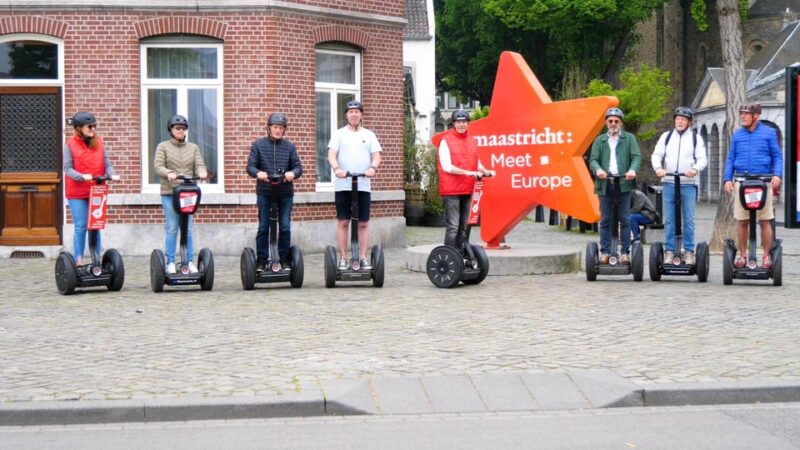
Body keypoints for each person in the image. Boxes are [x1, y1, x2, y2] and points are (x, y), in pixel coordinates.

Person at [723, 102, 783, 269]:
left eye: (746, 114)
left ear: (756, 116)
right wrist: (727, 179)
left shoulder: (769, 133)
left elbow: (777, 156)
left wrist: (777, 175)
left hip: (763, 182)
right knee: (742, 221)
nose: (742, 116)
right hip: (742, 182)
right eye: (741, 113)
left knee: (764, 221)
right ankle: (743, 255)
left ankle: (765, 256)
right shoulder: (737, 135)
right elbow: (730, 158)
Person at [327, 100, 382, 270]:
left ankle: (363, 257)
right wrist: (337, 168)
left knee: (363, 223)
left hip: (363, 185)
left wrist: (373, 168)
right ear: (346, 115)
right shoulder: (339, 134)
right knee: (344, 221)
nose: (354, 114)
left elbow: (377, 155)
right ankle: (343, 257)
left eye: (357, 111)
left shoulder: (369, 135)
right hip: (343, 185)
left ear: (361, 115)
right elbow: (331, 154)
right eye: (351, 112)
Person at [246, 112, 303, 272]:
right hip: (265, 192)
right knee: (264, 227)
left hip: (284, 193)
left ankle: (284, 260)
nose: (278, 130)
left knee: (284, 226)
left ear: (284, 130)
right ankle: (261, 261)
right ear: (269, 128)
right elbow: (250, 166)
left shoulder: (290, 147)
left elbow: (298, 167)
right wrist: (258, 173)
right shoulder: (258, 145)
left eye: (281, 128)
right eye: (275, 127)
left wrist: (293, 173)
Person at [651, 106, 708, 265]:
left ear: (689, 122)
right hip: (669, 182)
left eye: (683, 119)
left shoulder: (695, 138)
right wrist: (659, 169)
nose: (680, 121)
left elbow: (702, 159)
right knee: (669, 219)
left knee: (688, 219)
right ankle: (669, 251)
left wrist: (694, 169)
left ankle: (689, 251)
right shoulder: (666, 137)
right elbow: (656, 155)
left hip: (688, 184)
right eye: (678, 119)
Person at [63, 112, 120, 266]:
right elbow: (67, 168)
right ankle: (79, 260)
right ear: (79, 128)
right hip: (77, 193)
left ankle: (96, 259)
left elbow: (106, 163)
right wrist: (82, 176)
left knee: (95, 225)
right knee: (81, 226)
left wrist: (112, 174)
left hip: (97, 190)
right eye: (89, 126)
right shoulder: (70, 144)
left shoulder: (99, 142)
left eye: (94, 125)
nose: (93, 128)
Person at [154, 115, 208, 274]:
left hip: (188, 192)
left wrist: (202, 172)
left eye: (183, 128)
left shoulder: (193, 147)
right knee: (172, 228)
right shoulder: (163, 146)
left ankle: (189, 261)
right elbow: (157, 166)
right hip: (170, 193)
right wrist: (169, 172)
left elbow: (199, 164)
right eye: (177, 128)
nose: (181, 131)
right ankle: (170, 262)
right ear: (170, 129)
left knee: (188, 228)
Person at [588, 107, 641, 264]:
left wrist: (632, 170)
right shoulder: (600, 140)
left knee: (624, 219)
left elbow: (636, 157)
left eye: (616, 121)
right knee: (605, 219)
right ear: (606, 123)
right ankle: (605, 252)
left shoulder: (629, 139)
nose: (613, 123)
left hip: (623, 183)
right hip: (605, 184)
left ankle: (625, 252)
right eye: (610, 121)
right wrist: (598, 170)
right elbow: (593, 159)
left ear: (621, 123)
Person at [436, 109, 494, 251]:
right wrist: (469, 173)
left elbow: (476, 161)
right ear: (454, 123)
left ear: (468, 123)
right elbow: (447, 166)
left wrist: (485, 171)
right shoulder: (446, 141)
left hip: (468, 188)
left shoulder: (472, 141)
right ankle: (449, 255)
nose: (461, 124)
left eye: (464, 122)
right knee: (453, 227)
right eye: (458, 122)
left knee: (465, 225)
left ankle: (461, 253)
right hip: (451, 190)